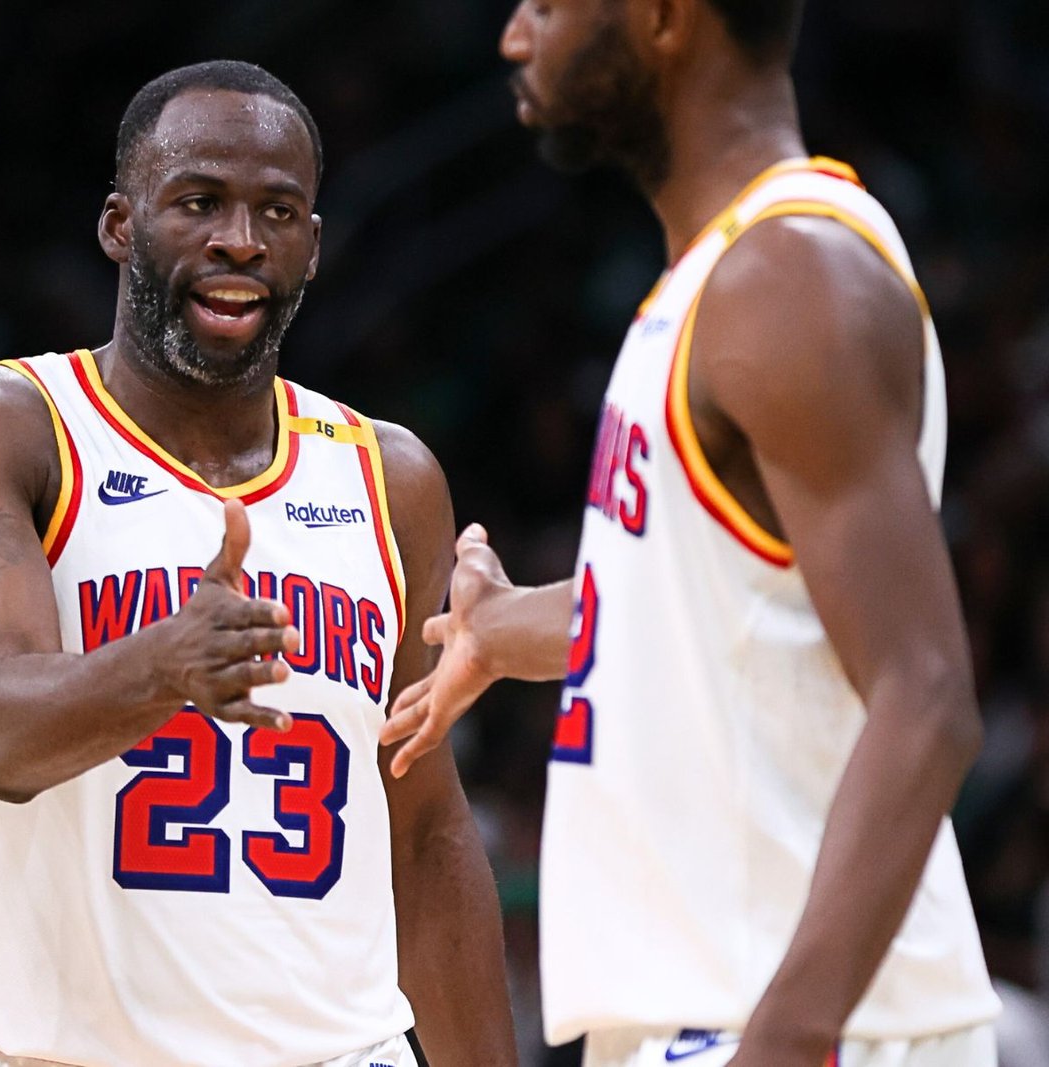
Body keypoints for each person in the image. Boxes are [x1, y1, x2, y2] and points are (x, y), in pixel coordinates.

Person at [380, 1, 1003, 1065]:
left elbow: (927, 693)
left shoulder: (786, 278)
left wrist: (786, 1036)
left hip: (796, 1018)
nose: (514, 38)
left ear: (666, 16)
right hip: (719, 1008)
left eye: (545, 4)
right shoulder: (719, 281)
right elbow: (716, 609)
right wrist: (505, 628)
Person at [0, 60, 518, 1067]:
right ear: (119, 226)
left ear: (311, 248)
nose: (239, 239)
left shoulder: (389, 477)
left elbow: (423, 825)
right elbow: (0, 734)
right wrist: (164, 665)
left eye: (277, 211)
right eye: (199, 202)